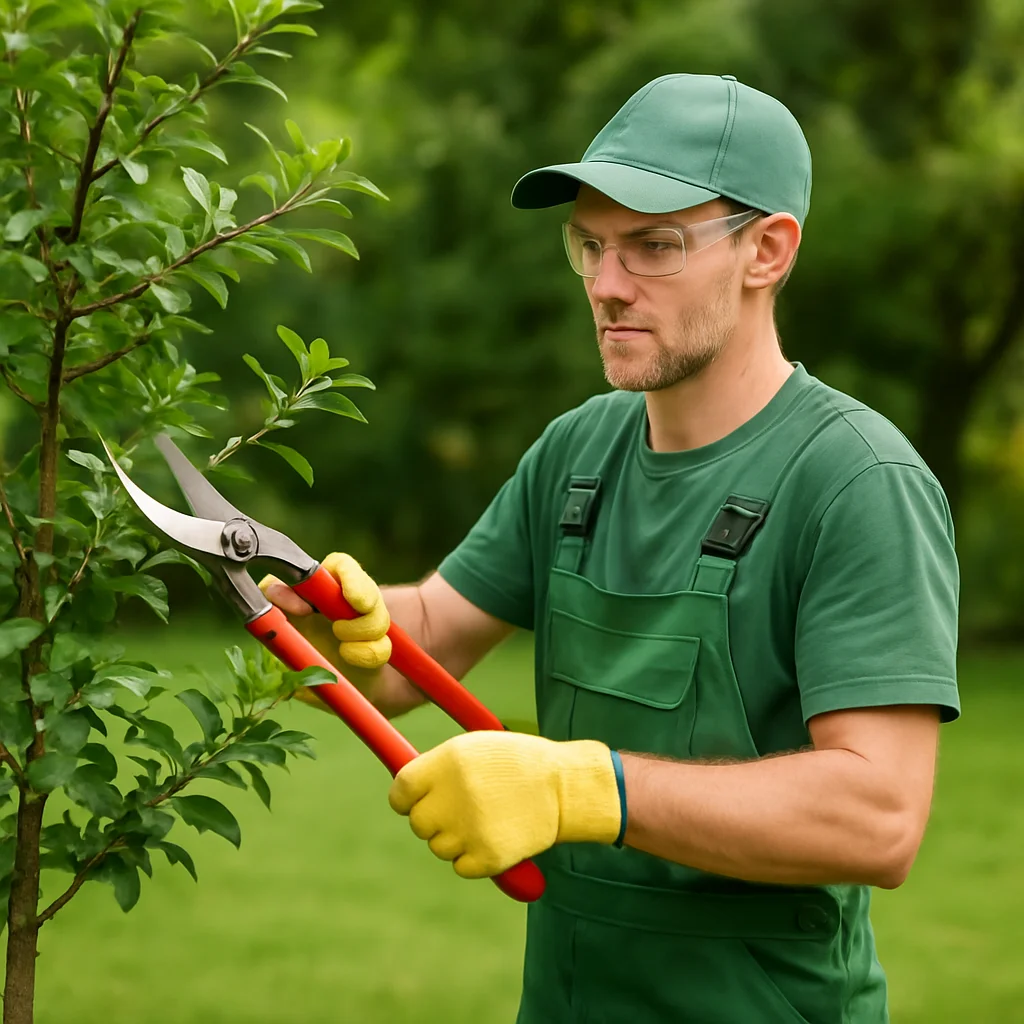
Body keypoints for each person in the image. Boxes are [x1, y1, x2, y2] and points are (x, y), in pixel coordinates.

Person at [263, 73, 960, 1024]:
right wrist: (344, 618)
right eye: (588, 245)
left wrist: (586, 786)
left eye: (653, 247)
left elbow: (878, 819)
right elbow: (420, 650)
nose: (604, 285)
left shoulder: (856, 482)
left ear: (767, 250)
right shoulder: (580, 452)